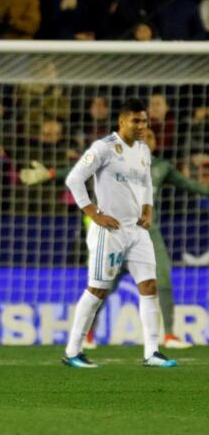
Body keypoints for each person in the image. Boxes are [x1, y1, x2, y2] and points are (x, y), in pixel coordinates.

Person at [19, 126, 201, 349]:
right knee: (103, 287)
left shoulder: (162, 167)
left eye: (151, 137)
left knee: (162, 280)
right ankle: (87, 335)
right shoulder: (114, 158)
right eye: (143, 136)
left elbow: (191, 186)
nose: (147, 140)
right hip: (116, 233)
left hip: (147, 235)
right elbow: (78, 171)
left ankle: (170, 335)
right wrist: (50, 174)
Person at [61, 98, 177, 369]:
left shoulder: (143, 150)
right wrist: (93, 213)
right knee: (98, 289)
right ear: (122, 121)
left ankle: (152, 351)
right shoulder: (104, 148)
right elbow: (75, 179)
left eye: (144, 121)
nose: (141, 126)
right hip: (108, 231)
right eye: (136, 120)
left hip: (137, 230)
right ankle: (73, 350)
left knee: (149, 286)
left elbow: (146, 184)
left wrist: (147, 211)